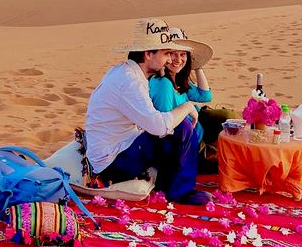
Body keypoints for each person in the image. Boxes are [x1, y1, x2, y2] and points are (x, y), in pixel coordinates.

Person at [84, 17, 210, 206]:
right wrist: (187, 107)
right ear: (148, 54)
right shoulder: (130, 81)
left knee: (178, 130)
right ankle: (180, 192)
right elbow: (159, 126)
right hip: (112, 162)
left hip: (121, 146)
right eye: (166, 53)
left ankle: (170, 183)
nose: (169, 59)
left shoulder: (127, 72)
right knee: (182, 127)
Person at [148, 27, 213, 141]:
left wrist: (197, 66)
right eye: (173, 54)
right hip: (189, 140)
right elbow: (167, 126)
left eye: (183, 54)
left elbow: (205, 96)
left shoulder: (178, 78)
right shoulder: (162, 83)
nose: (178, 60)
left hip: (196, 129)